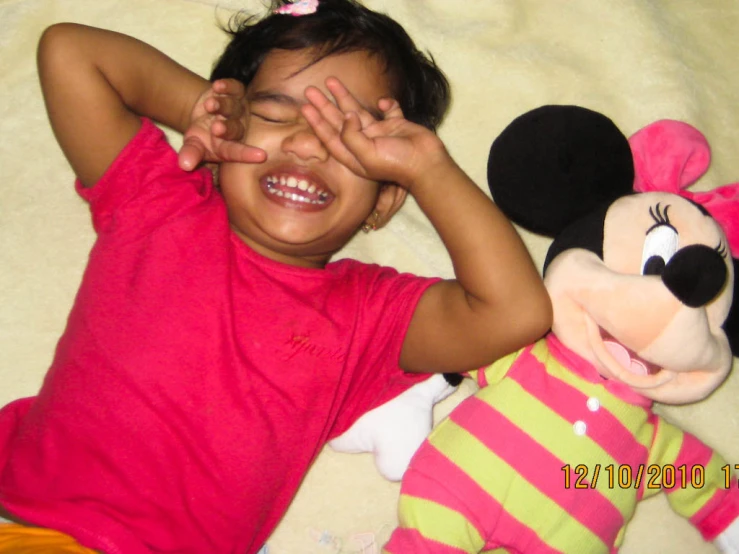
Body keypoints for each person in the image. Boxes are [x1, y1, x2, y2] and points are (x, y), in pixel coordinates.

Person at [0, 0, 552, 552]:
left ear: (384, 201)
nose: (307, 145)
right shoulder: (159, 207)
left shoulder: (367, 313)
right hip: (22, 518)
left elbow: (515, 312)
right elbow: (69, 51)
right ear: (222, 143)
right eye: (273, 113)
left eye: (347, 134)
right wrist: (204, 107)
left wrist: (429, 170)